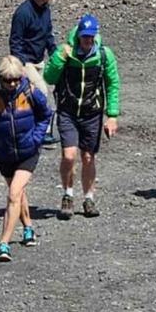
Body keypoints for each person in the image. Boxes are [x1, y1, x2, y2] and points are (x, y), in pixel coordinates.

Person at [0, 55, 52, 261]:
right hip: (4, 153)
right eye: (7, 80)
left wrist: (36, 139)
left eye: (15, 79)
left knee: (13, 194)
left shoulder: (31, 93)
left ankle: (3, 243)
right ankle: (28, 228)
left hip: (28, 152)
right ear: (0, 77)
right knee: (17, 193)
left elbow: (46, 115)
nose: (11, 84)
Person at [43, 14, 120, 220]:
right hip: (68, 112)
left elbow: (112, 84)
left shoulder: (104, 55)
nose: (87, 40)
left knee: (88, 157)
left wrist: (111, 115)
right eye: (84, 36)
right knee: (69, 156)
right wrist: (60, 59)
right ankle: (67, 195)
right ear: (78, 35)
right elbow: (49, 77)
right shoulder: (65, 52)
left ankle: (88, 198)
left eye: (90, 36)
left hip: (91, 113)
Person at [9, 0, 59, 144]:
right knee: (42, 91)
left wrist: (55, 54)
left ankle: (28, 127)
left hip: (40, 60)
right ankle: (43, 131)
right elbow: (15, 41)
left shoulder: (45, 9)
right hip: (27, 61)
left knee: (33, 97)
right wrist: (20, 64)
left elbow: (48, 33)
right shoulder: (23, 13)